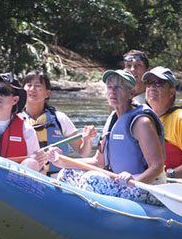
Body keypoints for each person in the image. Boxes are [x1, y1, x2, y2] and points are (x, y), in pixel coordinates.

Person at [47, 69, 165, 205]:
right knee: (67, 173)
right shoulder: (112, 121)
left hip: (147, 185)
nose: (112, 92)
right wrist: (62, 161)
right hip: (121, 181)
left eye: (118, 87)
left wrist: (135, 182)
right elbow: (98, 162)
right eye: (109, 87)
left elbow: (157, 166)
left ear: (131, 93)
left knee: (92, 179)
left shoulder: (142, 123)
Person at [21, 70, 97, 175]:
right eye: (29, 85)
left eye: (38, 86)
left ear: (47, 93)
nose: (32, 89)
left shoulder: (60, 118)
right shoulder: (17, 119)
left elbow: (83, 152)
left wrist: (87, 139)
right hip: (29, 175)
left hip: (56, 178)